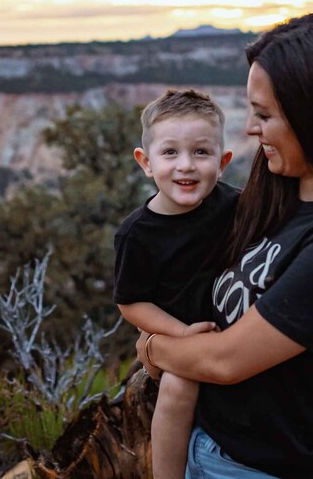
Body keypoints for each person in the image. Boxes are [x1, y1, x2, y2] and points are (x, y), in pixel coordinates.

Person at [136, 12, 313, 479]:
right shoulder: (282, 180)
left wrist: (155, 349)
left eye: (263, 115)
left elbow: (226, 361)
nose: (250, 130)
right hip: (204, 443)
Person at [114, 89, 239, 479]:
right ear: (145, 162)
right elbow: (131, 303)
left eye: (201, 153)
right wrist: (181, 334)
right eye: (170, 153)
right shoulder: (137, 234)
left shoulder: (239, 207)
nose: (186, 166)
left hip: (238, 336)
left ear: (222, 163)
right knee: (180, 388)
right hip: (182, 340)